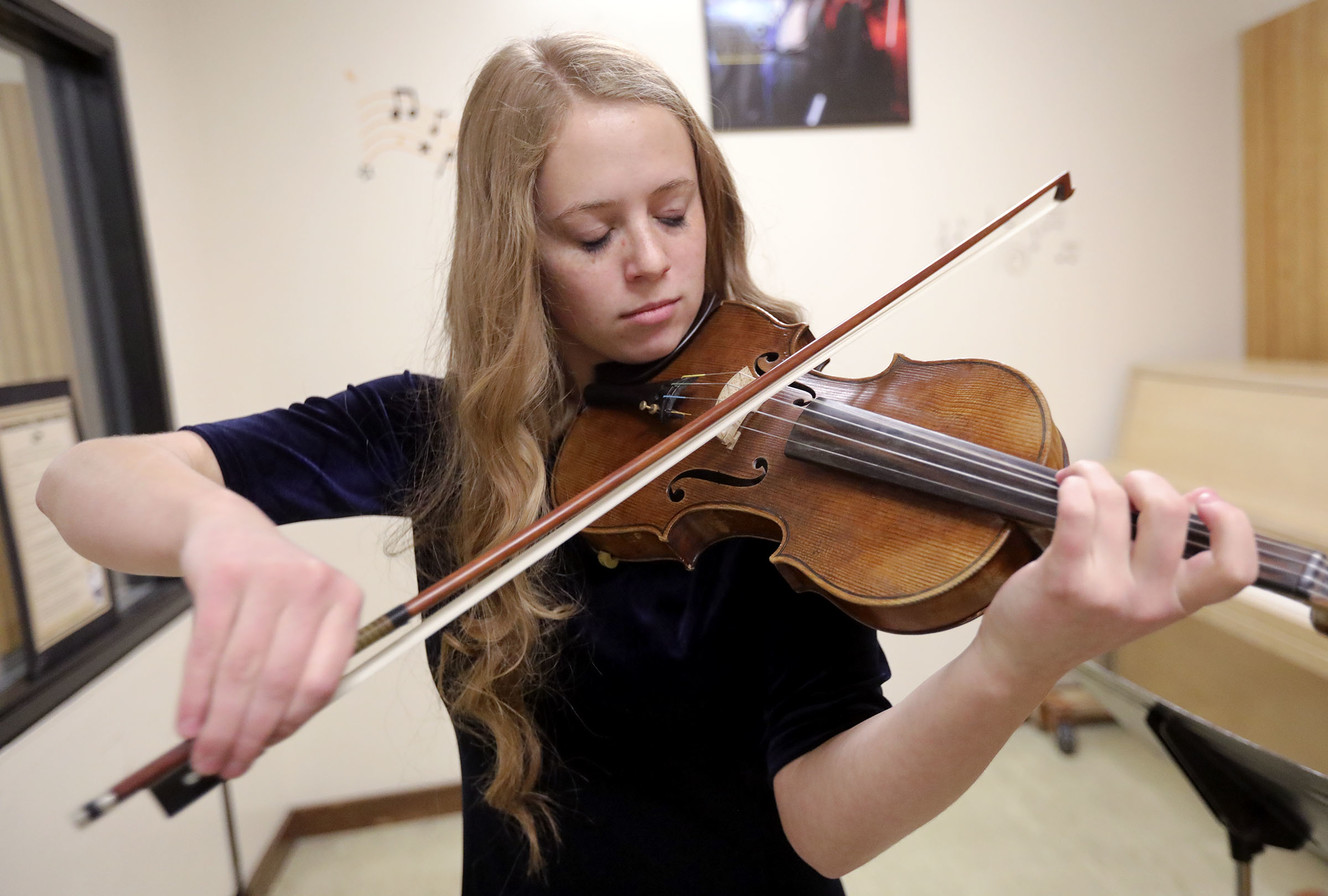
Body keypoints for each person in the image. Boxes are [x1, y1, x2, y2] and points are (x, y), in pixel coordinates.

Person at [37, 32, 1258, 895]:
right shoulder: (431, 432)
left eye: (674, 213)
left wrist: (1013, 656)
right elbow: (82, 480)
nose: (651, 263)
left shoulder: (786, 470)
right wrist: (219, 530)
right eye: (591, 231)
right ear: (512, 252)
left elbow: (823, 829)